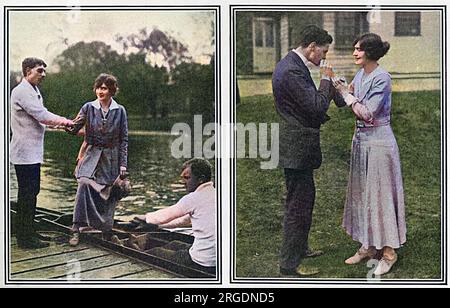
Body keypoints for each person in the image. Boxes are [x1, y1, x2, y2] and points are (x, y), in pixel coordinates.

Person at [272, 25, 346, 277]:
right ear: (312, 46)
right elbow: (315, 107)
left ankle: (300, 249)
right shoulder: (292, 69)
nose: (324, 57)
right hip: (297, 147)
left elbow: (309, 103)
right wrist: (326, 78)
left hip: (296, 147)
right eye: (323, 52)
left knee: (303, 201)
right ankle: (288, 266)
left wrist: (334, 88)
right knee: (299, 206)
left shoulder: (293, 64)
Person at [332, 33, 406, 276]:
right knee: (363, 195)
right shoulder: (362, 73)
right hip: (361, 141)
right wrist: (339, 85)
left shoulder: (382, 78)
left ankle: (388, 253)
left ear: (371, 53)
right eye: (354, 49)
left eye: (358, 50)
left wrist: (347, 94)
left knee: (380, 196)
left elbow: (367, 113)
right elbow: (349, 96)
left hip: (379, 142)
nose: (354, 53)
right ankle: (369, 245)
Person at [11, 57, 74, 249]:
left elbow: (38, 120)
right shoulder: (22, 91)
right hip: (24, 152)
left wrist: (59, 127)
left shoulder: (33, 91)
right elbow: (42, 115)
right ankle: (25, 238)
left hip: (32, 153)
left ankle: (29, 232)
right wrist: (66, 121)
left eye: (44, 71)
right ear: (28, 70)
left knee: (32, 192)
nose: (43, 75)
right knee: (28, 194)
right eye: (40, 71)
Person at [66, 73, 128, 246]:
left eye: (105, 88)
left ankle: (104, 231)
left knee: (109, 193)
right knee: (84, 184)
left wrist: (123, 164)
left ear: (111, 91)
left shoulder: (120, 110)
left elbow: (124, 139)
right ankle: (76, 228)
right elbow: (75, 127)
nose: (100, 91)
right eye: (99, 87)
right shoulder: (88, 107)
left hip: (111, 160)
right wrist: (64, 124)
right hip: (91, 156)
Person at [134, 158, 216, 276]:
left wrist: (144, 218)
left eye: (187, 178)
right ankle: (136, 242)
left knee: (155, 252)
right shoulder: (216, 194)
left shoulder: (194, 198)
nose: (183, 181)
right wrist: (158, 226)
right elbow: (185, 221)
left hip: (201, 263)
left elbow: (164, 215)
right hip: (215, 261)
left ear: (201, 179)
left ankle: (133, 247)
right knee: (174, 244)